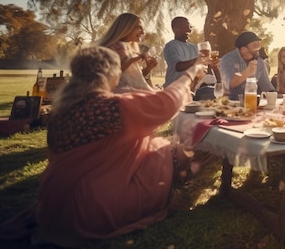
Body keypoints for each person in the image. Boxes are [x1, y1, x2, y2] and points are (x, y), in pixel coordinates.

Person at [29, 46, 205, 247]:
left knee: (154, 144)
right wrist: (191, 73)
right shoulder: (110, 107)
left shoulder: (61, 111)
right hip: (93, 209)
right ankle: (172, 193)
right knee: (172, 151)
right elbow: (166, 102)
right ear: (112, 73)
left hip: (54, 204)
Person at [96, 12, 157, 93]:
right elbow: (109, 78)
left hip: (131, 93)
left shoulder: (130, 48)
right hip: (119, 96)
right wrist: (131, 60)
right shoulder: (109, 49)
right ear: (126, 27)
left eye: (143, 29)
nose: (143, 33)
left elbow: (133, 80)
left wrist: (148, 68)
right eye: (139, 28)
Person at [163, 16, 220, 100]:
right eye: (186, 26)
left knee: (216, 95)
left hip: (192, 91)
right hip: (174, 92)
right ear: (175, 28)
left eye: (190, 27)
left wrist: (219, 83)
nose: (190, 30)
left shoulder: (195, 48)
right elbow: (177, 66)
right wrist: (197, 61)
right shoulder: (171, 46)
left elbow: (206, 67)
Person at [220, 31, 275, 100]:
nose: (259, 46)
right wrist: (248, 72)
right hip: (229, 105)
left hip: (251, 104)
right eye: (255, 44)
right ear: (243, 49)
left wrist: (282, 97)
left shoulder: (260, 62)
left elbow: (267, 88)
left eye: (259, 43)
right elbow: (231, 83)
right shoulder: (227, 59)